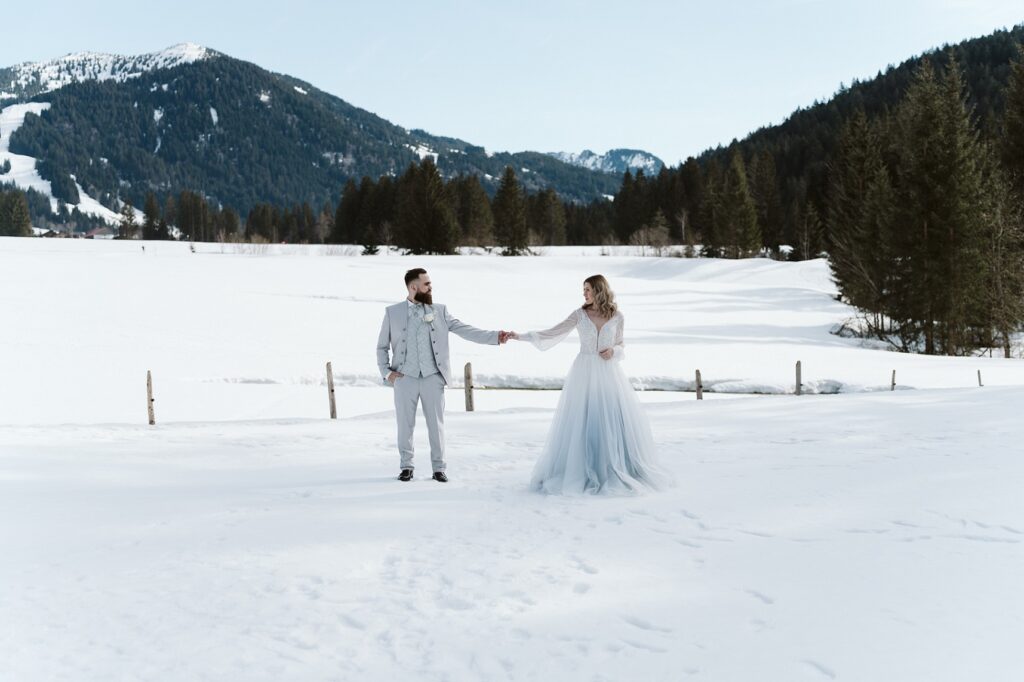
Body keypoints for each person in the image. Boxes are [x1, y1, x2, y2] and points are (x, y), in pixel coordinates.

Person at [511, 275, 667, 495]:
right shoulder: (579, 315)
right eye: (583, 290)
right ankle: (581, 469)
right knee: (582, 419)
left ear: (599, 290)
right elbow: (553, 332)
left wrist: (614, 351)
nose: (584, 294)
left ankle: (613, 467)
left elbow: (621, 344)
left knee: (610, 419)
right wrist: (520, 337)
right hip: (583, 372)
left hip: (608, 372)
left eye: (588, 289)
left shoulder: (617, 316)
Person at [377, 268, 511, 482]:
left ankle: (439, 468)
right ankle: (406, 466)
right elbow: (381, 347)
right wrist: (387, 373)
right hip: (404, 377)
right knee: (404, 425)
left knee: (436, 425)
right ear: (414, 287)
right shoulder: (392, 313)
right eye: (426, 284)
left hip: (432, 376)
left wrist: (495, 337)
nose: (431, 287)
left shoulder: (440, 311)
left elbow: (466, 330)